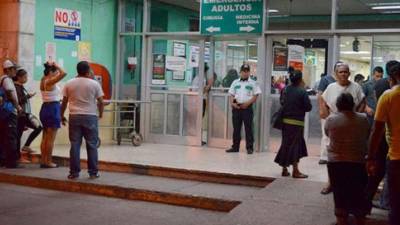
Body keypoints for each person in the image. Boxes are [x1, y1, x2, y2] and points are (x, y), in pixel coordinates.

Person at [320, 63, 366, 195]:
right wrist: (327, 116)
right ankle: (330, 182)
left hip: (353, 125)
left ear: (349, 74)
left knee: (352, 157)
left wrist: (356, 116)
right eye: (341, 72)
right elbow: (323, 100)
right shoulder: (331, 87)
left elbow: (363, 102)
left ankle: (350, 186)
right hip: (336, 126)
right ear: (336, 74)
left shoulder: (356, 87)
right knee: (333, 158)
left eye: (346, 72)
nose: (343, 74)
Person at [325, 93, 370, 225]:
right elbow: (367, 134)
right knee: (357, 190)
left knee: (339, 191)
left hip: (336, 162)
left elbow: (328, 133)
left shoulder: (331, 119)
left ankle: (341, 219)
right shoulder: (363, 119)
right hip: (357, 161)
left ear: (337, 105)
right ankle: (359, 218)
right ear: (353, 105)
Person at [367, 61, 400, 225]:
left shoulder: (388, 95)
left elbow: (377, 129)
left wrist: (370, 156)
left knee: (395, 204)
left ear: (392, 77)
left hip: (395, 155)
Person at [61, 61, 104, 179]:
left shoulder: (69, 83)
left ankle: (74, 173)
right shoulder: (94, 84)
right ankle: (93, 172)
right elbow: (101, 101)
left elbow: (64, 102)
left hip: (74, 116)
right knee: (92, 145)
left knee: (75, 144)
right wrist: (100, 114)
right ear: (88, 70)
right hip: (90, 116)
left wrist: (61, 115)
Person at [274, 70, 312, 178]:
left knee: (285, 144)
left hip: (285, 122)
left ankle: (284, 169)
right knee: (296, 146)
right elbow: (308, 107)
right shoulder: (302, 91)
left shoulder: (285, 89)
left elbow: (282, 102)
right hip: (297, 123)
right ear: (300, 79)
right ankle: (296, 171)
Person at [226, 64, 261, 154]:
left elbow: (256, 95)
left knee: (248, 128)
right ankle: (235, 147)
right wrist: (233, 104)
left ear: (249, 72)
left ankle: (249, 148)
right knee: (236, 128)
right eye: (243, 71)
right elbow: (231, 94)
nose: (245, 73)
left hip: (247, 108)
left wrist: (247, 104)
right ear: (240, 72)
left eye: (247, 71)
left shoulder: (253, 83)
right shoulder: (235, 82)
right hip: (236, 108)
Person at [39, 62, 66, 168]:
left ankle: (43, 160)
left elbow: (57, 73)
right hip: (52, 109)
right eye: (55, 72)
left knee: (45, 137)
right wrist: (57, 65)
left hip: (45, 108)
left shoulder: (43, 80)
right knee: (50, 139)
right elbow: (64, 73)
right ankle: (48, 161)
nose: (57, 74)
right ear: (51, 72)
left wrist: (50, 66)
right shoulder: (50, 81)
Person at [13, 69, 42, 162]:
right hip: (20, 115)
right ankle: (17, 157)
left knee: (39, 127)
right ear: (19, 77)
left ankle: (26, 146)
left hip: (25, 114)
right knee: (18, 135)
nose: (26, 79)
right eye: (25, 77)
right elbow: (17, 101)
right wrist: (28, 96)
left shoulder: (21, 86)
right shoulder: (16, 87)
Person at [318, 61, 341, 165]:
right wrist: (322, 109)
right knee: (326, 134)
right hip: (327, 112)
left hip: (339, 114)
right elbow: (320, 95)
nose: (342, 73)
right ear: (335, 70)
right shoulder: (326, 79)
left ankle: (335, 155)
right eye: (340, 70)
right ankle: (324, 156)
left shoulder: (343, 82)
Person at [0, 60, 22, 168]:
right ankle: (11, 162)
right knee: (11, 136)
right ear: (8, 69)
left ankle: (4, 161)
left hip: (6, 112)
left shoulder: (5, 79)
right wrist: (17, 106)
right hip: (9, 112)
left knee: (6, 136)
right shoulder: (6, 79)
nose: (15, 71)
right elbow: (9, 92)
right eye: (14, 69)